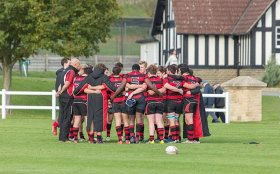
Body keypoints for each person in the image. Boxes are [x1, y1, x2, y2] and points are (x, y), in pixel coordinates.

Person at [74, 63, 125, 143]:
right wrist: (121, 91)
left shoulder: (89, 77)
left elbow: (79, 88)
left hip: (90, 98)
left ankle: (91, 138)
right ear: (103, 70)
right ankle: (98, 137)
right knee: (100, 117)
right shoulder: (104, 77)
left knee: (91, 117)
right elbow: (112, 87)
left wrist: (78, 92)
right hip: (101, 98)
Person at [56, 58, 80, 142]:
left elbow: (59, 83)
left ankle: (61, 137)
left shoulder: (63, 71)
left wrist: (58, 92)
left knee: (62, 116)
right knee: (67, 117)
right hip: (68, 97)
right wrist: (62, 91)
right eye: (78, 64)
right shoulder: (71, 72)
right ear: (75, 64)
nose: (79, 66)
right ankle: (64, 138)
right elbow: (67, 83)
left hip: (62, 97)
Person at [71, 64, 93, 143]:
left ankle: (75, 139)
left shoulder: (76, 78)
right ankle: (90, 139)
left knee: (77, 120)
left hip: (75, 101)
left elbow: (73, 91)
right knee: (88, 120)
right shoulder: (88, 78)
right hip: (84, 101)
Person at [145, 64, 165, 144]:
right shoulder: (161, 79)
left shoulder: (147, 80)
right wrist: (158, 91)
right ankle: (161, 140)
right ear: (156, 71)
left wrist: (152, 91)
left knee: (151, 122)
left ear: (149, 72)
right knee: (159, 121)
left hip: (150, 102)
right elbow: (164, 89)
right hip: (160, 102)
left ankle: (151, 140)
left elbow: (144, 89)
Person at [109, 66, 130, 144]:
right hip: (123, 101)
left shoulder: (110, 80)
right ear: (120, 72)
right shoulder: (122, 79)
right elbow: (127, 89)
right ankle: (127, 140)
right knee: (125, 120)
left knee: (117, 120)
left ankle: (120, 140)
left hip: (115, 101)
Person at [52, 57, 70, 136]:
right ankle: (59, 128)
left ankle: (56, 124)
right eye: (69, 63)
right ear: (65, 64)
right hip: (64, 95)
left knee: (64, 113)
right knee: (64, 114)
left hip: (64, 94)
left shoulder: (67, 71)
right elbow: (59, 84)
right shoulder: (61, 72)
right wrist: (59, 92)